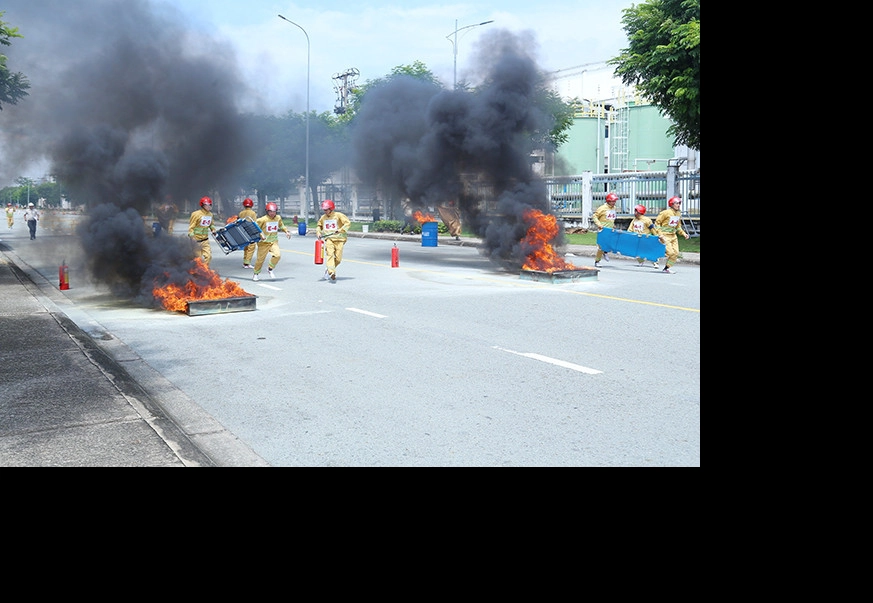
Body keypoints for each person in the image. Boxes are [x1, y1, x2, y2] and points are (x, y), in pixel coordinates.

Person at [252, 202, 291, 281]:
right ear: (267, 211)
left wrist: (286, 231)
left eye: (274, 211)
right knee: (260, 260)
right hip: (263, 243)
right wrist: (260, 234)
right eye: (270, 211)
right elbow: (255, 228)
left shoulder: (278, 218)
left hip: (274, 242)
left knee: (277, 255)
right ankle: (256, 274)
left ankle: (270, 269)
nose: (272, 213)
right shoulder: (262, 219)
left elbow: (281, 225)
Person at [653, 196, 690, 274]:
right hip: (665, 236)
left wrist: (684, 234)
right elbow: (657, 223)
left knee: (676, 253)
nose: (679, 205)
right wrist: (659, 234)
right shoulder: (665, 213)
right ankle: (655, 255)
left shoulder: (678, 214)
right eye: (677, 203)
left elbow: (678, 226)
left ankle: (666, 268)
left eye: (680, 203)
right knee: (670, 253)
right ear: (671, 204)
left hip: (673, 236)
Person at [316, 199, 350, 282]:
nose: (325, 211)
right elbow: (319, 226)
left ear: (331, 208)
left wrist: (341, 230)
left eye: (326, 210)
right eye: (324, 210)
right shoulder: (323, 218)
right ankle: (332, 272)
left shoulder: (338, 215)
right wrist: (318, 232)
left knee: (338, 259)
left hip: (340, 239)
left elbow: (347, 223)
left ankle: (328, 270)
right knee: (330, 255)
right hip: (329, 239)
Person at [188, 196, 218, 268]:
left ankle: (205, 270)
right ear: (202, 205)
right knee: (198, 259)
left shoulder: (210, 215)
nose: (209, 206)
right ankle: (199, 271)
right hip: (196, 240)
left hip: (205, 240)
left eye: (210, 205)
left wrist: (213, 230)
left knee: (208, 256)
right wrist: (192, 237)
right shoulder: (196, 214)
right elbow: (191, 227)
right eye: (207, 205)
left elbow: (211, 224)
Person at [627, 204, 659, 268]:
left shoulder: (647, 220)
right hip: (637, 239)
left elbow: (652, 229)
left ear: (640, 212)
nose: (635, 213)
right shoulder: (634, 220)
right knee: (636, 252)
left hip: (645, 239)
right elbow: (630, 229)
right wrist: (628, 235)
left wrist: (656, 236)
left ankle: (655, 262)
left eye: (636, 211)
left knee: (650, 252)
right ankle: (641, 261)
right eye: (635, 211)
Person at [593, 192, 618, 267]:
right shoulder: (602, 208)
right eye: (612, 201)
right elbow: (594, 216)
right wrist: (599, 225)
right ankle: (597, 261)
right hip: (603, 230)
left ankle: (605, 252)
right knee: (601, 247)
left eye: (614, 201)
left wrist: (613, 225)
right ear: (608, 201)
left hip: (610, 230)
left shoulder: (614, 208)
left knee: (610, 244)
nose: (614, 203)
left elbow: (611, 218)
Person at [238, 197, 258, 269]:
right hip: (250, 231)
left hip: (242, 231)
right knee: (251, 247)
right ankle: (247, 263)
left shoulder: (241, 213)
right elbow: (254, 223)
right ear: (251, 205)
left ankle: (245, 262)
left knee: (246, 247)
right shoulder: (253, 213)